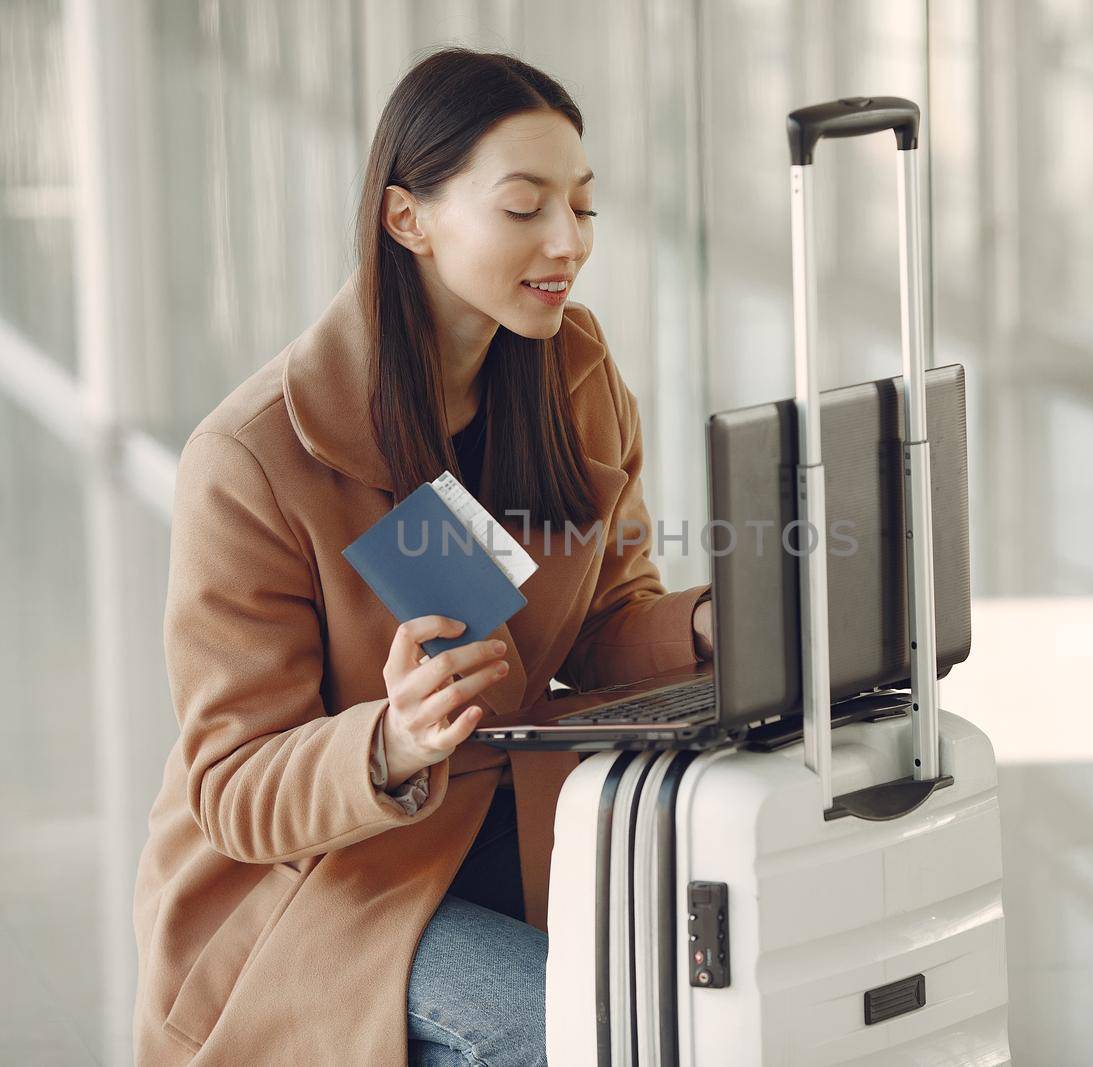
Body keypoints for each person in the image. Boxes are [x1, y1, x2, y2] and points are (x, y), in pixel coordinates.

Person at [131, 47, 714, 1066]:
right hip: (330, 882)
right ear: (409, 219)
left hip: (524, 822)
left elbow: (609, 623)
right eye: (524, 206)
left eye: (582, 207)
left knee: (722, 995)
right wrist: (389, 740)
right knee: (571, 1032)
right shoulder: (254, 457)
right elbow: (229, 785)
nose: (566, 241)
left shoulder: (573, 371)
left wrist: (718, 621)